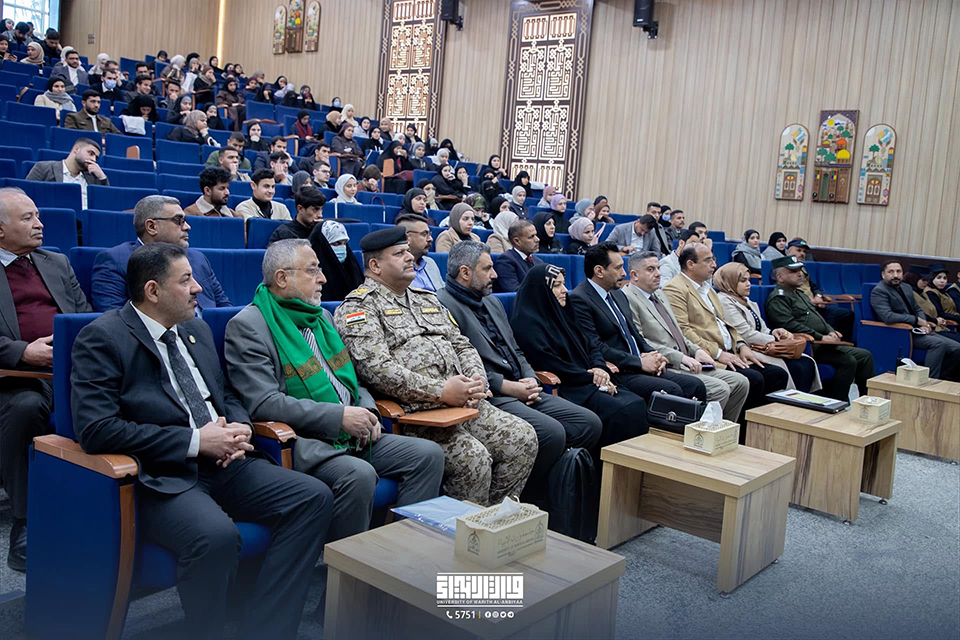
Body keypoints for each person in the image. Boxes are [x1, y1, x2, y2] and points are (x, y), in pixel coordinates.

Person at [75, 242, 331, 638]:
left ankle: (267, 628)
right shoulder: (102, 338)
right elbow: (97, 429)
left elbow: (224, 393)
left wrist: (241, 427)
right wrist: (195, 441)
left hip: (226, 460)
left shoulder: (195, 329)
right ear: (153, 290)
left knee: (313, 497)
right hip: (163, 475)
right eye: (186, 280)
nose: (198, 288)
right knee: (216, 537)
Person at [225, 239, 443, 546]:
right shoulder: (249, 326)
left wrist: (367, 410)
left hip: (354, 431)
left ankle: (405, 551)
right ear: (282, 278)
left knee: (428, 455)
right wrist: (339, 417)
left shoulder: (322, 318)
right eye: (312, 270)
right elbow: (264, 403)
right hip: (306, 441)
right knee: (358, 474)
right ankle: (343, 568)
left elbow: (353, 381)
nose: (323, 278)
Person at [334, 228, 539, 506]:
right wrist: (441, 391)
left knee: (523, 438)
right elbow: (376, 369)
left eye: (408, 251)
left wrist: (476, 379)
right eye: (399, 253)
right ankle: (457, 529)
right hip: (417, 417)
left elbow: (462, 344)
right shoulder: (358, 308)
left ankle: (489, 519)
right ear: (375, 265)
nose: (410, 257)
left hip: (464, 404)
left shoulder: (426, 299)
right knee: (473, 458)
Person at [438, 242, 602, 504]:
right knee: (552, 433)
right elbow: (458, 365)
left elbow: (515, 348)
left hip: (521, 385)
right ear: (465, 272)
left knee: (589, 423)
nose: (495, 275)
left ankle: (550, 490)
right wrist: (508, 387)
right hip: (491, 393)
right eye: (487, 268)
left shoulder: (492, 302)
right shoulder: (442, 305)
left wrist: (531, 379)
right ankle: (524, 498)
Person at [0, 188, 92, 572]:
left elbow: (85, 316)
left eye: (37, 216)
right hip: (15, 377)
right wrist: (22, 352)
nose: (40, 224)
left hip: (69, 369)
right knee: (26, 407)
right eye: (28, 218)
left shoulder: (56, 262)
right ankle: (25, 520)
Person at [510, 263, 650, 449]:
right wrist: (591, 377)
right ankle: (605, 465)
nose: (564, 290)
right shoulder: (526, 322)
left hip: (588, 378)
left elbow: (592, 345)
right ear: (541, 290)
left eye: (564, 284)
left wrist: (600, 368)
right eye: (557, 285)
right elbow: (550, 363)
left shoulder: (566, 312)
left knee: (636, 402)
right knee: (623, 410)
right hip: (567, 385)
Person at [663, 244, 789, 421]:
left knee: (777, 374)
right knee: (754, 378)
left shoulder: (707, 289)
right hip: (708, 355)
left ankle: (759, 426)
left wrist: (741, 344)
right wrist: (719, 354)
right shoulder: (675, 289)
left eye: (713, 259)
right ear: (690, 264)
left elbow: (725, 323)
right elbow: (683, 331)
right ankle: (740, 428)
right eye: (708, 260)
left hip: (731, 351)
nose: (714, 264)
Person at [569, 243, 707, 402]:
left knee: (695, 385)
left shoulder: (617, 294)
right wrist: (639, 362)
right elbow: (595, 346)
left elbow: (634, 334)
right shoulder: (580, 299)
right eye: (618, 268)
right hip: (619, 370)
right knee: (672, 390)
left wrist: (655, 356)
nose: (624, 273)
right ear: (599, 271)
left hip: (639, 364)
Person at [623, 252, 750, 422]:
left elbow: (679, 333)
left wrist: (697, 350)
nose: (658, 273)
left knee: (741, 382)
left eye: (658, 268)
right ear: (634, 275)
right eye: (651, 269)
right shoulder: (628, 298)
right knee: (720, 389)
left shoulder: (659, 295)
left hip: (688, 359)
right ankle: (702, 432)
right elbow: (641, 342)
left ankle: (723, 429)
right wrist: (680, 357)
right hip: (667, 363)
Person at [92, 195, 231, 312]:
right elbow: (115, 320)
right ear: (152, 227)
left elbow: (224, 307)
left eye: (185, 221)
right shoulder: (115, 260)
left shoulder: (198, 258)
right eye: (178, 220)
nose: (187, 227)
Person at [764, 256, 873, 398]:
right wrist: (821, 337)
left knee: (865, 356)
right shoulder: (778, 298)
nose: (800, 274)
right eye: (793, 271)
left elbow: (818, 317)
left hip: (824, 344)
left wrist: (831, 331)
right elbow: (788, 325)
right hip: (809, 346)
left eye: (800, 270)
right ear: (780, 277)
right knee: (848, 361)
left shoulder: (800, 294)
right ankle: (838, 401)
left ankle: (866, 399)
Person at [714, 262, 821, 393]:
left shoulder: (747, 301)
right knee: (795, 367)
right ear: (729, 282)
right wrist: (776, 341)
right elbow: (746, 334)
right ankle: (788, 401)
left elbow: (763, 329)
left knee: (806, 362)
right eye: (743, 281)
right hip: (745, 348)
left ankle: (804, 401)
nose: (748, 284)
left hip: (761, 345)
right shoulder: (724, 301)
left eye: (748, 280)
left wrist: (775, 332)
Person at [870, 260, 960, 381]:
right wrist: (916, 320)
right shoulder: (879, 291)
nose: (895, 275)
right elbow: (888, 316)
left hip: (918, 330)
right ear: (883, 274)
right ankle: (928, 380)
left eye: (898, 271)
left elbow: (917, 309)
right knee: (939, 344)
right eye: (891, 272)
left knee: (957, 348)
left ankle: (943, 378)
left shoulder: (906, 287)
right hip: (901, 332)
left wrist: (924, 324)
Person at [785, 238, 855, 340]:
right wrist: (808, 300)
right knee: (831, 317)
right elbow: (786, 290)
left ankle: (842, 343)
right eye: (798, 250)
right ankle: (828, 341)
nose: (802, 254)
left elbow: (814, 287)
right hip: (802, 307)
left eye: (804, 251)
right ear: (789, 252)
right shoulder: (782, 269)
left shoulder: (802, 268)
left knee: (846, 314)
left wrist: (818, 296)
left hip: (815, 305)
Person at [25, 138, 108, 209]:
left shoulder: (93, 177)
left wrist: (102, 177)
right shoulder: (44, 168)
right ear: (76, 149)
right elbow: (25, 195)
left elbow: (105, 202)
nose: (93, 159)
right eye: (91, 153)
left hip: (85, 221)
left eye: (96, 157)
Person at [309, 221, 364, 302]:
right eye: (336, 243)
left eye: (344, 243)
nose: (342, 248)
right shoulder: (310, 275)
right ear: (323, 244)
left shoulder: (352, 271)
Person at [395, 213, 444, 292]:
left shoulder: (430, 263)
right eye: (424, 234)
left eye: (429, 234)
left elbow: (443, 291)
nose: (430, 239)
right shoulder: (396, 267)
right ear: (407, 238)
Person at [493, 220, 543, 293]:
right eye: (531, 237)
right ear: (517, 241)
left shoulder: (539, 262)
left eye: (536, 235)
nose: (537, 239)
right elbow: (514, 291)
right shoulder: (505, 261)